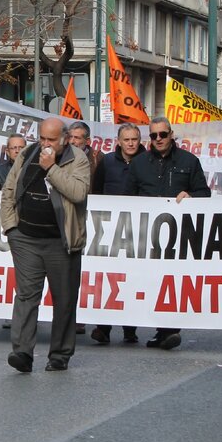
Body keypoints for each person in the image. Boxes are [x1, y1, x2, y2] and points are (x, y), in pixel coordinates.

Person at [0, 117, 91, 373]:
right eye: (42, 138)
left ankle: (60, 355)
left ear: (64, 139)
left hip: (60, 242)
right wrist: (11, 227)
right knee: (26, 296)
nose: (45, 144)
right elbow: (9, 189)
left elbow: (77, 192)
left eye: (51, 140)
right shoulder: (28, 153)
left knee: (64, 299)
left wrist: (51, 168)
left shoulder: (78, 159)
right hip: (26, 238)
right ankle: (22, 352)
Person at [128, 117, 211, 350]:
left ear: (171, 134)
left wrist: (191, 197)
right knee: (148, 281)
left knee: (171, 282)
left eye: (162, 135)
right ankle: (149, 328)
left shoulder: (189, 161)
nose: (158, 139)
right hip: (146, 233)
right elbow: (126, 197)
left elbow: (204, 192)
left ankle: (169, 330)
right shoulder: (139, 164)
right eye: (153, 136)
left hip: (178, 235)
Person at [90, 123, 145, 345]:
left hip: (138, 228)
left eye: (134, 139)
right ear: (119, 141)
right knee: (108, 279)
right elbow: (97, 190)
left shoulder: (147, 162)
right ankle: (103, 328)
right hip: (110, 229)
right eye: (127, 139)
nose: (131, 143)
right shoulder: (108, 162)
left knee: (131, 279)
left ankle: (130, 330)